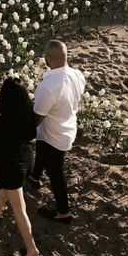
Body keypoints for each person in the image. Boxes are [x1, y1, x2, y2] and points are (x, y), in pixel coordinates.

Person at [0, 78, 42, 256]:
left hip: (10, 165)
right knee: (9, 188)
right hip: (26, 158)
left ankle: (31, 249)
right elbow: (32, 134)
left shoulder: (0, 121)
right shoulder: (28, 115)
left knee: (19, 210)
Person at [28, 40, 86, 224]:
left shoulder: (48, 87)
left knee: (56, 174)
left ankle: (63, 212)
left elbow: (37, 118)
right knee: (42, 148)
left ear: (48, 58)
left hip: (56, 136)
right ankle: (34, 177)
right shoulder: (77, 75)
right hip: (66, 127)